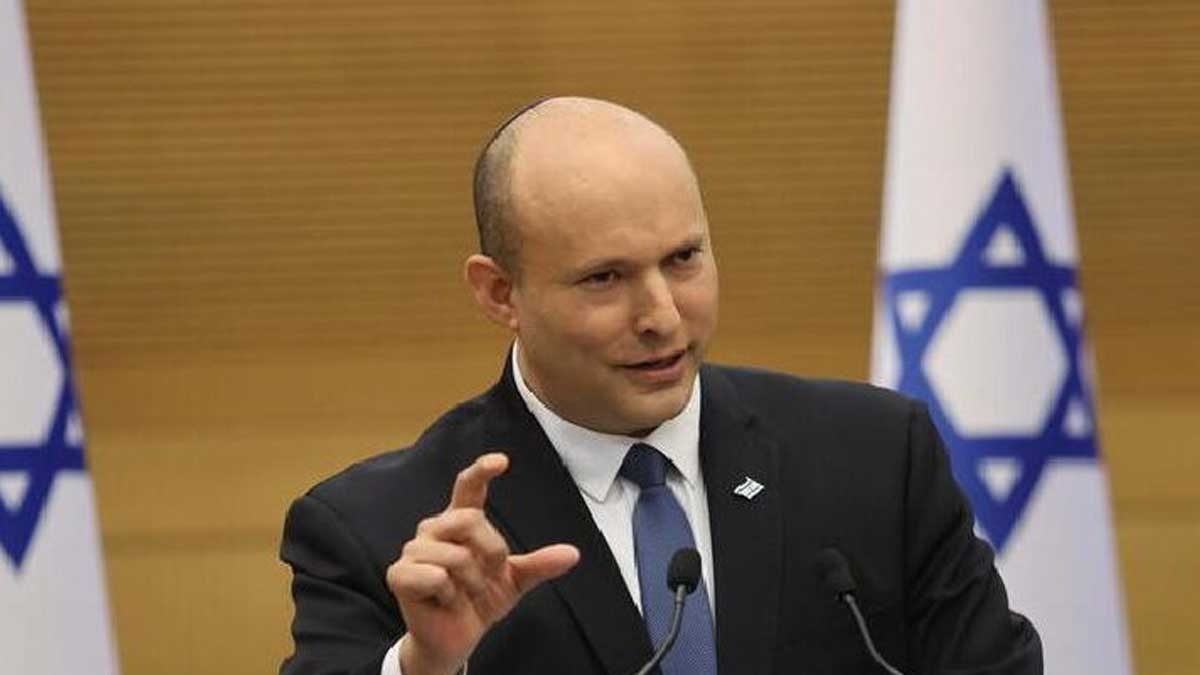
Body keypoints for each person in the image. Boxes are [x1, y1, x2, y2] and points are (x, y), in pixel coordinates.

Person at [279, 97, 1042, 675]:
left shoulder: (874, 457)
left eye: (683, 259)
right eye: (604, 278)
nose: (663, 316)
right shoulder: (378, 530)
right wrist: (425, 667)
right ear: (500, 293)